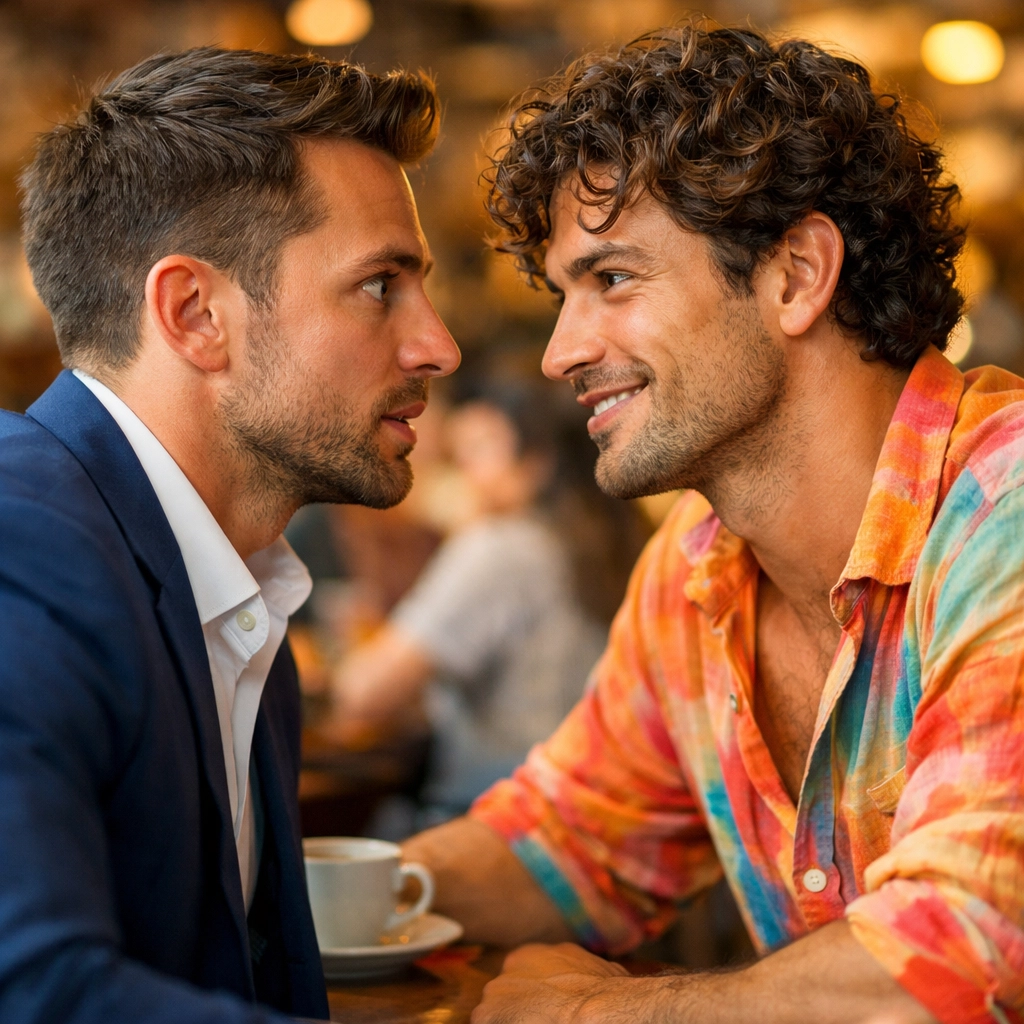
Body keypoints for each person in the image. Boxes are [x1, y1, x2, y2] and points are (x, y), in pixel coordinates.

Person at [401, 25, 1024, 1024]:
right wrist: (309, 894)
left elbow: (961, 957)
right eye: (563, 294)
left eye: (611, 278)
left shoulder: (1005, 510)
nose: (560, 352)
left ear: (794, 274)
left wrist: (586, 1014)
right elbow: (567, 841)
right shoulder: (695, 566)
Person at [0, 48, 458, 1023]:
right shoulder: (19, 547)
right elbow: (35, 991)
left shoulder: (237, 595)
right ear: (195, 314)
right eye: (381, 285)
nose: (438, 345)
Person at [332, 383, 609, 826]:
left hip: (497, 816)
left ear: (536, 462)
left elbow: (363, 692)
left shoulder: (499, 548)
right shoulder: (595, 546)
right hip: (581, 811)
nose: (463, 472)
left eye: (481, 450)